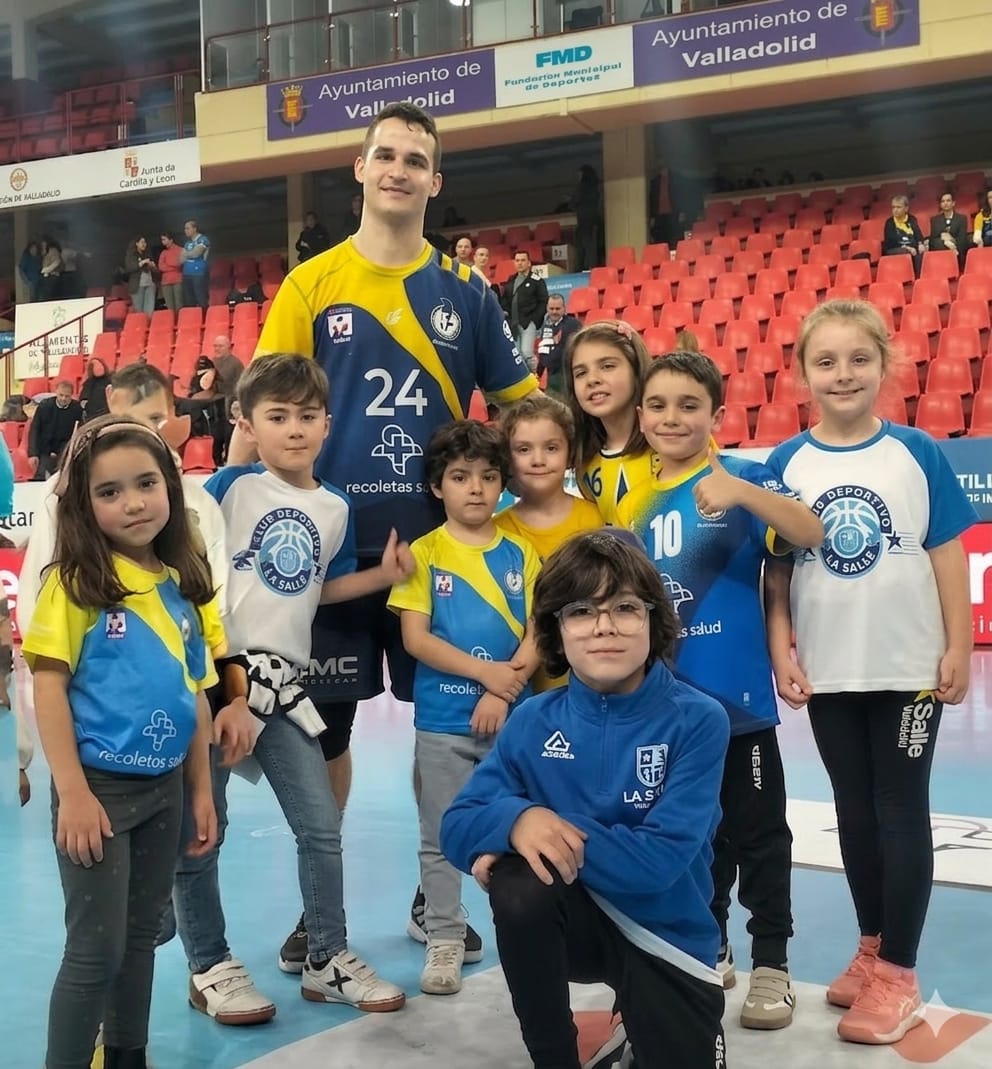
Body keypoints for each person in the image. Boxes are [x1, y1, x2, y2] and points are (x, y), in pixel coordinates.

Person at [228, 101, 537, 965]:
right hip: (322, 557)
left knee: (453, 740)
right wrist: (223, 506)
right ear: (360, 170)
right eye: (385, 155)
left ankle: (436, 889)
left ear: (436, 182)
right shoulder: (310, 283)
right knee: (324, 736)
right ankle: (318, 907)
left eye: (416, 159)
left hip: (440, 560)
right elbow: (258, 415)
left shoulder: (468, 292)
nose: (399, 169)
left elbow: (520, 412)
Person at [764, 299, 977, 1046]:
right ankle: (871, 942)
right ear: (802, 374)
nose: (843, 373)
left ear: (885, 365)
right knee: (852, 809)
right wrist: (782, 645)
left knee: (898, 806)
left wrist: (956, 644)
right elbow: (778, 569)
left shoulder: (916, 450)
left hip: (908, 667)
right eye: (826, 361)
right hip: (831, 669)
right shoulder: (788, 463)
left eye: (859, 359)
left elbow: (945, 550)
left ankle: (902, 972)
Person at [440, 531, 730, 1069]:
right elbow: (456, 826)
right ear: (556, 629)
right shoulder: (533, 719)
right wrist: (518, 819)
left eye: (624, 607)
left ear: (652, 620)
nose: (603, 627)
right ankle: (554, 1059)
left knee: (521, 849)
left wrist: (535, 827)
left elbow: (658, 862)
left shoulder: (698, 720)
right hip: (577, 924)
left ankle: (638, 1023)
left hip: (663, 930)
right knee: (518, 880)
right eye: (580, 611)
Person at [616, 340, 824, 1031]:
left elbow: (808, 529)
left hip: (736, 703)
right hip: (664, 709)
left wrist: (740, 492)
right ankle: (710, 942)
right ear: (640, 414)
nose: (672, 417)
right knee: (689, 833)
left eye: (689, 405)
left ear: (717, 413)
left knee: (760, 832)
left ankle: (773, 965)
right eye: (659, 405)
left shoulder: (745, 474)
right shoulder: (634, 500)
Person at [206, 353, 413, 1011]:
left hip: (284, 685)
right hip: (215, 683)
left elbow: (318, 588)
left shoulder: (334, 506)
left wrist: (382, 577)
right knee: (203, 825)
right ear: (248, 422)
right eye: (277, 416)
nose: (293, 429)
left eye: (306, 415)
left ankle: (326, 954)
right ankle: (208, 961)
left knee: (320, 822)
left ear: (328, 423)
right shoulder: (230, 487)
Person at [22, 414, 221, 1069]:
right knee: (95, 950)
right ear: (84, 504)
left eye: (146, 483)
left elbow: (194, 691)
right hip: (99, 794)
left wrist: (200, 791)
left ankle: (128, 1056)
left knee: (139, 942)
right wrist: (73, 793)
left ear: (170, 486)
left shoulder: (181, 586)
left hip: (165, 793)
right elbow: (48, 689)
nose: (133, 502)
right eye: (110, 492)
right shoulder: (74, 584)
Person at [388, 419, 540, 996]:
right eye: (460, 477)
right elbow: (416, 640)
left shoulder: (522, 555)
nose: (475, 488)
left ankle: (525, 936)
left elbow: (538, 633)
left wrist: (503, 692)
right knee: (441, 836)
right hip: (443, 723)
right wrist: (485, 677)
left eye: (488, 476)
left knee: (517, 831)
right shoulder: (424, 555)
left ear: (503, 484)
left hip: (512, 724)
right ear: (436, 487)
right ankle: (446, 937)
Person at [562, 320, 656, 525]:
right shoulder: (585, 461)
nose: (592, 379)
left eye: (607, 366)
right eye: (580, 373)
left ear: (636, 368)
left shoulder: (672, 442)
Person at [500, 250, 548, 373]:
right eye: (517, 260)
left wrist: (535, 319)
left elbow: (543, 301)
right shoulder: (511, 279)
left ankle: (536, 375)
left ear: (529, 263)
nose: (520, 263)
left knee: (527, 353)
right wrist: (505, 311)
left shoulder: (537, 280)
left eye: (523, 260)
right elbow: (505, 298)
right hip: (513, 323)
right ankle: (525, 380)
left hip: (528, 322)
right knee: (518, 354)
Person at [28, 380, 83, 481]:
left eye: (67, 396)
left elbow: (80, 431)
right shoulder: (44, 406)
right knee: (40, 476)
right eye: (61, 395)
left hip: (65, 448)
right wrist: (33, 453)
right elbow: (35, 429)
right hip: (45, 447)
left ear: (72, 395)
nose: (63, 398)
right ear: (56, 392)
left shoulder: (77, 409)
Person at [536, 293, 580, 398]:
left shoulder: (573, 324)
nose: (554, 312)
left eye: (557, 308)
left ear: (564, 309)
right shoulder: (546, 326)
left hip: (567, 375)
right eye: (551, 308)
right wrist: (538, 373)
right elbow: (543, 352)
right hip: (551, 378)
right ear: (547, 308)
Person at [882, 196, 926, 276]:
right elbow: (890, 243)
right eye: (893, 207)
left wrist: (920, 244)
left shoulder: (912, 219)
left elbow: (918, 235)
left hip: (912, 247)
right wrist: (906, 247)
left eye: (898, 207)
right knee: (906, 252)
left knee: (921, 252)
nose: (895, 210)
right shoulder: (889, 222)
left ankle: (919, 278)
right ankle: (908, 276)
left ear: (906, 208)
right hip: (895, 248)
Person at [927, 191, 971, 267]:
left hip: (958, 252)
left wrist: (951, 239)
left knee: (963, 243)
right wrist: (944, 241)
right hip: (941, 253)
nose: (945, 203)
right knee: (937, 242)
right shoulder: (934, 220)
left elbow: (962, 239)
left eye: (948, 200)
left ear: (953, 203)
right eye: (943, 201)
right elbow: (932, 241)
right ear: (940, 204)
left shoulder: (962, 219)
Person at [572, 165, 601, 273]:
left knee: (583, 245)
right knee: (590, 244)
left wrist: (570, 201)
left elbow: (575, 202)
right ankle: (590, 266)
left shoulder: (582, 187)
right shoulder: (595, 188)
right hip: (593, 219)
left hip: (584, 219)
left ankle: (582, 267)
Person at [124, 237, 158, 317]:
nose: (144, 244)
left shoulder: (147, 254)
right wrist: (142, 262)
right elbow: (129, 268)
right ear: (136, 243)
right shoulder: (131, 255)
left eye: (145, 242)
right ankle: (141, 327)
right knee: (139, 310)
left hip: (150, 284)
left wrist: (153, 266)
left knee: (149, 309)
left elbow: (156, 271)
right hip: (137, 286)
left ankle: (149, 326)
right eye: (142, 242)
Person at [181, 220, 210, 309]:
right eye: (185, 228)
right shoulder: (187, 243)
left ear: (195, 229)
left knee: (201, 298)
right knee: (189, 301)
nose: (185, 230)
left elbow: (196, 254)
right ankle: (193, 321)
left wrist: (187, 254)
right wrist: (189, 254)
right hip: (187, 273)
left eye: (188, 228)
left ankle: (205, 319)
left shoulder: (203, 239)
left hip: (199, 273)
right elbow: (181, 259)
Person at [79, 357, 112, 422]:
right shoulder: (89, 383)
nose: (98, 368)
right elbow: (83, 399)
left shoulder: (111, 379)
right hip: (93, 414)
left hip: (108, 411)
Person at [158, 233, 184, 313]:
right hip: (166, 282)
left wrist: (168, 264)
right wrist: (173, 267)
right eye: (162, 240)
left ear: (171, 240)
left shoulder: (180, 250)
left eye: (164, 239)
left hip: (177, 280)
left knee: (179, 304)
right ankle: (172, 322)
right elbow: (161, 266)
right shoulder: (163, 252)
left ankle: (180, 322)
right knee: (169, 306)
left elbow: (179, 263)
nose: (163, 242)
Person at [38, 236, 63, 301]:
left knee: (50, 295)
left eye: (44, 243)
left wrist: (46, 270)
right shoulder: (44, 251)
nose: (43, 244)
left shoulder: (53, 250)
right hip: (46, 277)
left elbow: (57, 262)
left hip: (53, 276)